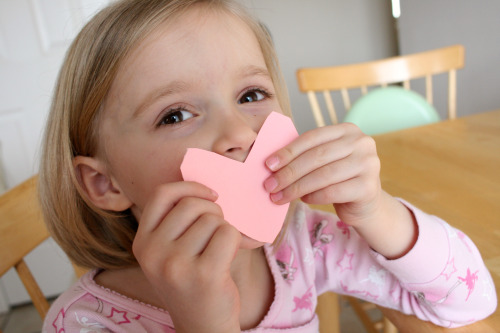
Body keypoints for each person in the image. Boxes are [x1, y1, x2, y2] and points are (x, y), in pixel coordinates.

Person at [40, 0, 496, 331]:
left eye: (251, 95)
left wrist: (376, 211)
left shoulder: (304, 245)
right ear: (105, 183)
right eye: (175, 115)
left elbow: (467, 303)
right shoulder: (82, 322)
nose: (240, 132)